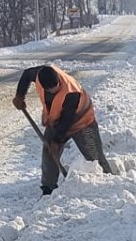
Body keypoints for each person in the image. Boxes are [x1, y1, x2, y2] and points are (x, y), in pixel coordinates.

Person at [12, 64, 114, 194]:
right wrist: (20, 95)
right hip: (56, 120)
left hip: (83, 121)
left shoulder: (71, 91)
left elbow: (67, 120)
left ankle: (109, 184)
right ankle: (48, 189)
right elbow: (27, 74)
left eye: (57, 86)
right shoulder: (40, 74)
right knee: (49, 154)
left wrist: (56, 141)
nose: (56, 89)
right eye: (52, 89)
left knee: (95, 157)